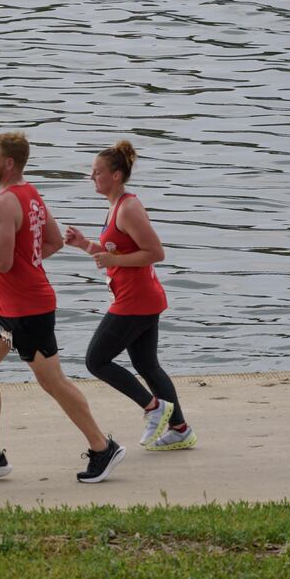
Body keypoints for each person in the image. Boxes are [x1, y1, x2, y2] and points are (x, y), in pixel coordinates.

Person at [0, 132, 125, 483]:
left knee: (53, 382)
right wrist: (27, 261)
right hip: (3, 305)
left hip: (27, 309)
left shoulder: (4, 203)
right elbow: (54, 241)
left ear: (9, 163)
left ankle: (102, 447)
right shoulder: (30, 195)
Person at [64, 141, 195, 450]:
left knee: (96, 360)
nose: (91, 176)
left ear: (117, 175)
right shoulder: (116, 206)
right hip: (141, 298)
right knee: (147, 365)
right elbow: (116, 251)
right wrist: (85, 244)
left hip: (135, 301)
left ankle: (154, 408)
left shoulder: (129, 207)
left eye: (97, 172)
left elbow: (155, 253)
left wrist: (115, 261)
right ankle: (179, 429)